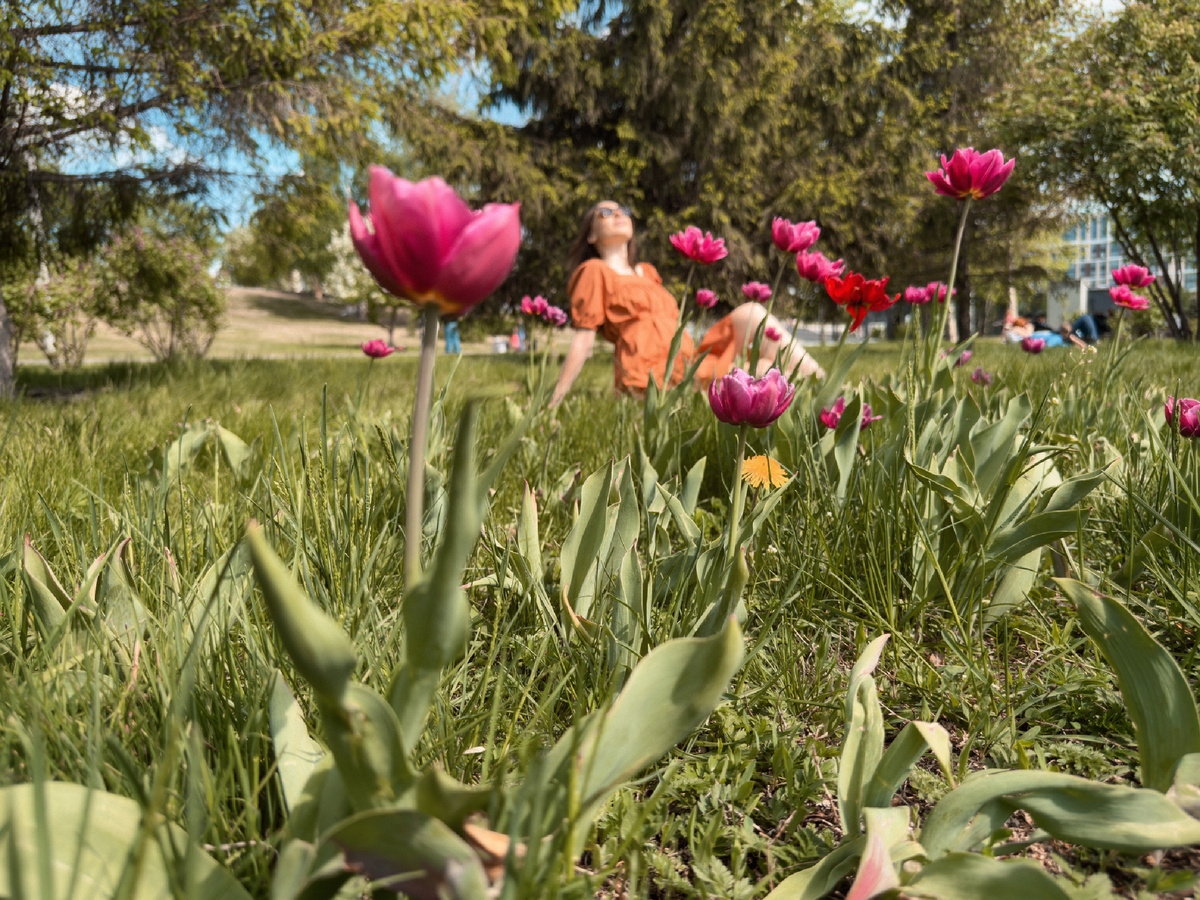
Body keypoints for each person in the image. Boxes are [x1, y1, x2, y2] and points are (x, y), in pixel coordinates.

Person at [549, 201, 823, 405]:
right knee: (762, 372)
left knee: (751, 313)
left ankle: (825, 383)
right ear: (591, 235)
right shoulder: (593, 271)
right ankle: (820, 396)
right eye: (605, 212)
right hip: (651, 373)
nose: (618, 213)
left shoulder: (648, 272)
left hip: (689, 359)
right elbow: (583, 340)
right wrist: (554, 401)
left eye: (622, 209)